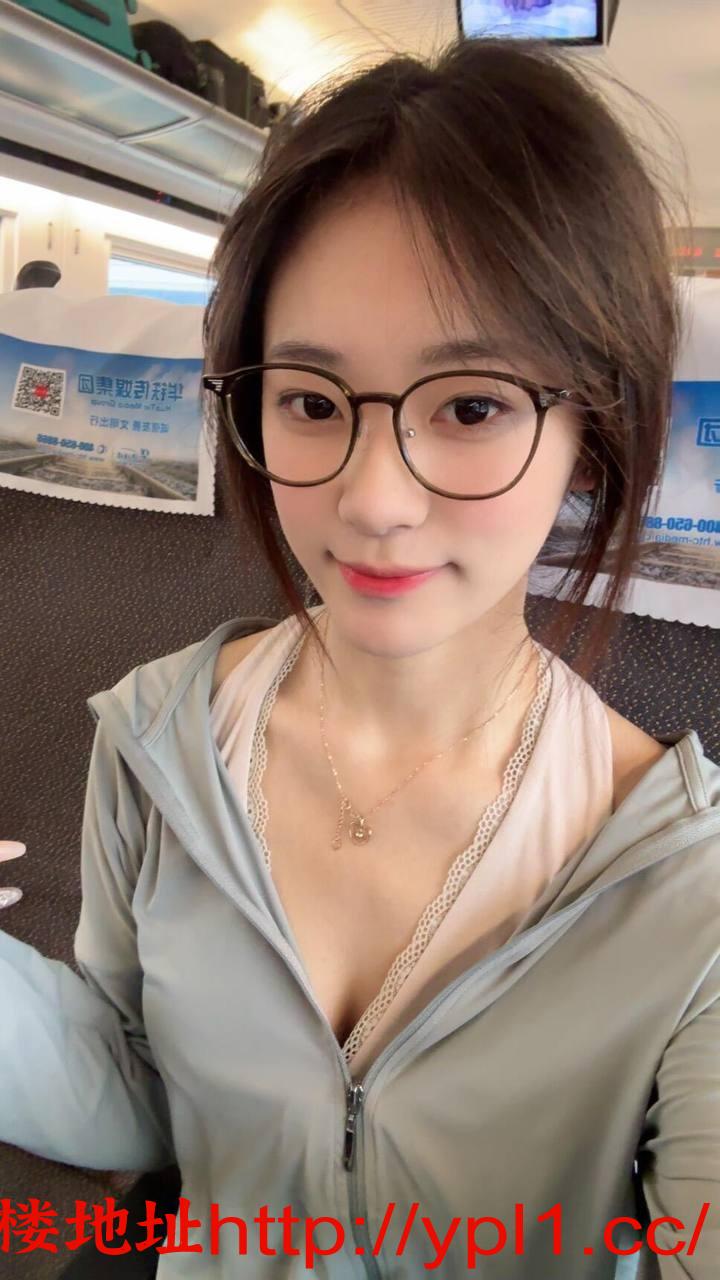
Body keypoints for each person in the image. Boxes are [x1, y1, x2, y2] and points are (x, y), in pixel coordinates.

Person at [2, 33, 719, 1279]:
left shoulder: (685, 890)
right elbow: (147, 1101)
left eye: (472, 405)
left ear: (592, 438)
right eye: (311, 401)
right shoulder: (158, 738)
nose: (375, 499)